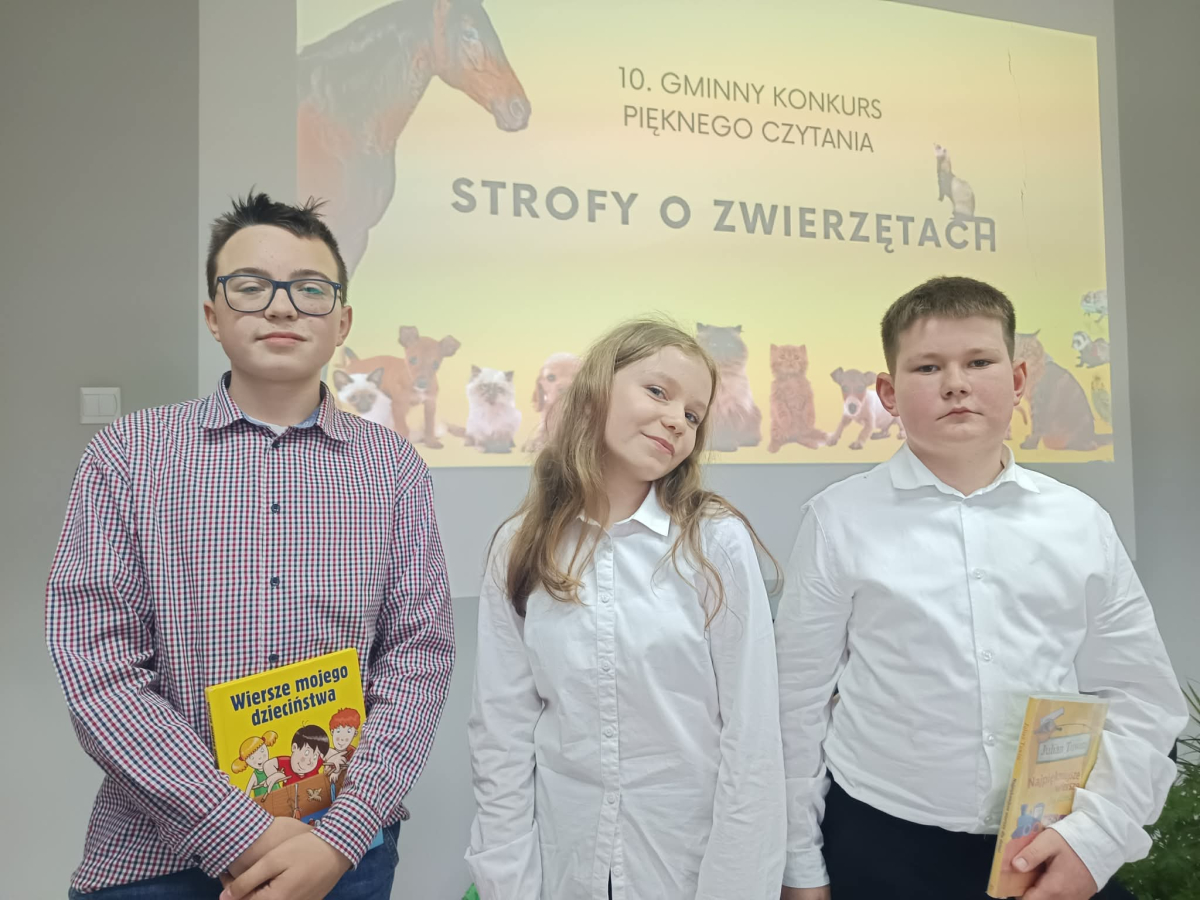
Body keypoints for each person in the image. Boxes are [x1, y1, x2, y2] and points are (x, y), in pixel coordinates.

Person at [46, 191, 455, 900]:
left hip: (342, 853)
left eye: (310, 289)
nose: (282, 307)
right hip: (156, 856)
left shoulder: (393, 468)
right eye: (251, 286)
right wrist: (239, 830)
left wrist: (342, 835)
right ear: (214, 314)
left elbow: (417, 657)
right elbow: (98, 666)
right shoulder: (129, 455)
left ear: (342, 321)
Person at [776, 276, 1187, 900]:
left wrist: (1097, 839)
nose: (955, 384)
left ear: (1018, 380)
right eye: (927, 367)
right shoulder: (838, 520)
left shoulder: (1080, 522)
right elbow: (795, 706)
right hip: (882, 841)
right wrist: (801, 868)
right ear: (887, 393)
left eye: (979, 362)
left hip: (1050, 836)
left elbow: (1140, 696)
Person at [465, 318, 786, 900]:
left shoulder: (715, 542)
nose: (677, 420)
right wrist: (507, 883)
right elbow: (502, 733)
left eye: (693, 415)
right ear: (594, 391)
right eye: (659, 392)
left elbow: (752, 737)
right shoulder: (519, 545)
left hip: (686, 868)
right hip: (566, 867)